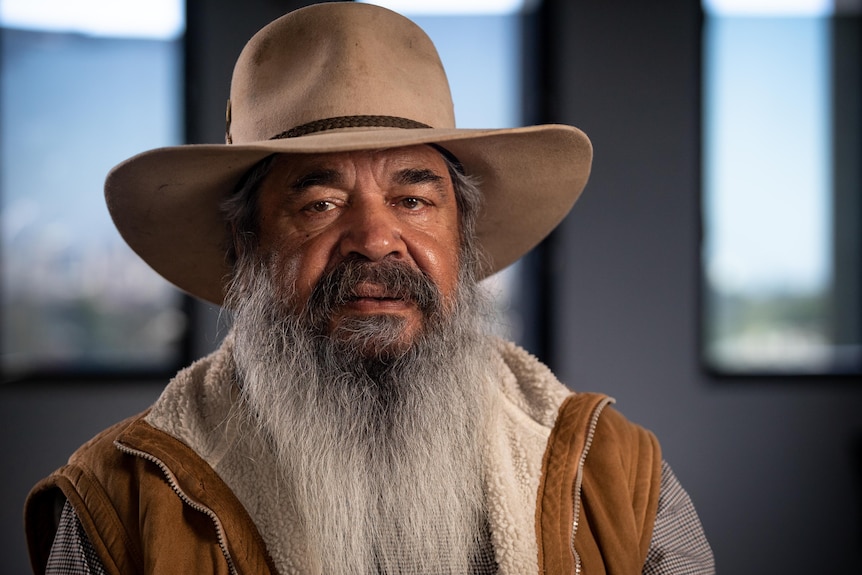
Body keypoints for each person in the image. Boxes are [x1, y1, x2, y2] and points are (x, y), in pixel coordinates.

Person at [24, 3, 714, 574]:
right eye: (319, 203)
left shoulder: (616, 479)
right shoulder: (122, 502)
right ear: (245, 246)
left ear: (463, 238)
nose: (375, 238)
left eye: (413, 200)